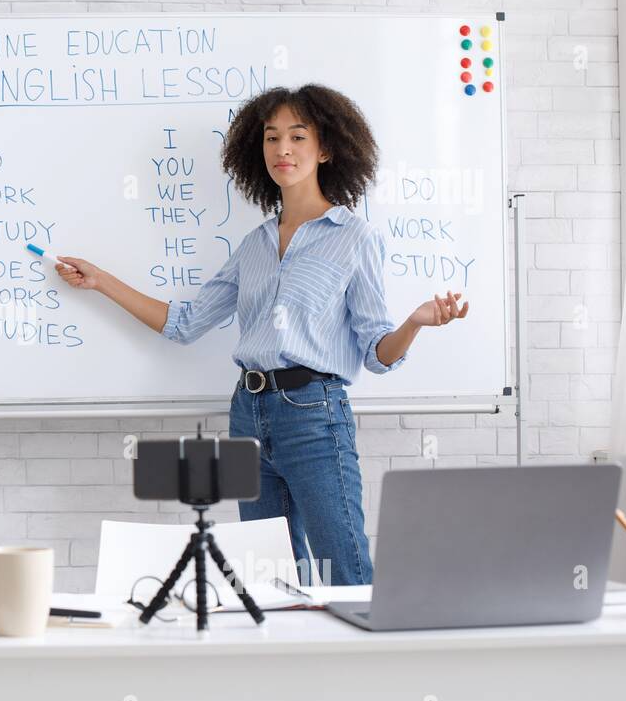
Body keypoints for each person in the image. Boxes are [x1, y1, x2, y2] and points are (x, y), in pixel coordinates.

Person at [55, 84, 469, 585]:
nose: (283, 150)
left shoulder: (354, 237)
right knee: (274, 579)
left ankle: (365, 663)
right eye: (272, 138)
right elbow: (185, 323)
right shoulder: (254, 245)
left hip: (314, 414)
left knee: (347, 570)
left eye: (298, 136)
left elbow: (377, 354)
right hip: (247, 414)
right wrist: (101, 281)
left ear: (326, 148)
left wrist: (413, 324)